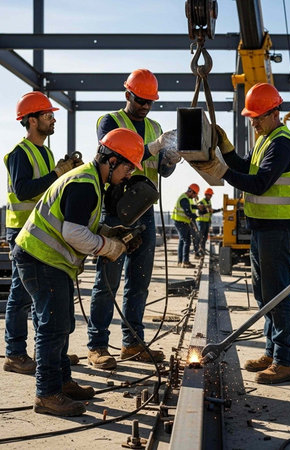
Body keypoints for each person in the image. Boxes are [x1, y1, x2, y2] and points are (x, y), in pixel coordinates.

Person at [13, 128, 143, 416]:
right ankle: (46, 394)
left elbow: (80, 223)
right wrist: (110, 247)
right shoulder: (85, 183)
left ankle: (62, 381)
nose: (128, 175)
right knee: (53, 327)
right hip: (40, 259)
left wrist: (109, 232)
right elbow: (72, 232)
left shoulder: (92, 182)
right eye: (127, 167)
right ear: (110, 161)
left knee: (63, 323)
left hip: (48, 261)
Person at [191, 83, 290, 384]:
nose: (252, 122)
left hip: (278, 228)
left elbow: (259, 183)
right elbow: (246, 168)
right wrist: (226, 150)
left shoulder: (282, 144)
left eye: (257, 117)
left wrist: (221, 171)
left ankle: (286, 361)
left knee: (277, 295)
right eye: (251, 117)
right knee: (265, 294)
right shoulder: (266, 140)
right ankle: (272, 350)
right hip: (262, 227)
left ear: (274, 112)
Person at [87, 69, 180, 370]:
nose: (145, 106)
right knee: (108, 281)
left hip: (144, 211)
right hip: (116, 210)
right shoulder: (110, 121)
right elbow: (113, 149)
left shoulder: (154, 125)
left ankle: (132, 342)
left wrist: (170, 160)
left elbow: (160, 171)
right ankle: (97, 345)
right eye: (140, 100)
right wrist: (155, 148)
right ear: (128, 95)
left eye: (150, 102)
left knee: (139, 281)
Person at [3, 92, 81, 375]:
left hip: (40, 230)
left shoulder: (46, 153)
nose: (53, 119)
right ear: (32, 120)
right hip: (21, 231)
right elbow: (24, 190)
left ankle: (49, 352)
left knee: (43, 295)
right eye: (48, 115)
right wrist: (57, 173)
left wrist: (64, 173)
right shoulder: (19, 154)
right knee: (21, 294)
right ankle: (14, 353)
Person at [172, 183, 202, 268]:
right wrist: (197, 216)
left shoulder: (185, 198)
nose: (194, 196)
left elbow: (189, 206)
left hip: (180, 222)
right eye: (195, 194)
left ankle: (180, 261)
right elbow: (188, 212)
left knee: (182, 241)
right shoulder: (184, 199)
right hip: (181, 222)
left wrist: (197, 207)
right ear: (191, 191)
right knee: (187, 241)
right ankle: (185, 262)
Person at [194, 187, 222, 255]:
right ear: (206, 194)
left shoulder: (209, 202)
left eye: (211, 195)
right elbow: (199, 212)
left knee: (205, 237)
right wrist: (207, 210)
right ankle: (197, 252)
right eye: (210, 195)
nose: (211, 196)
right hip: (201, 222)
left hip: (206, 222)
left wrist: (219, 209)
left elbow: (211, 211)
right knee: (200, 237)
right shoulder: (201, 202)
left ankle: (202, 250)